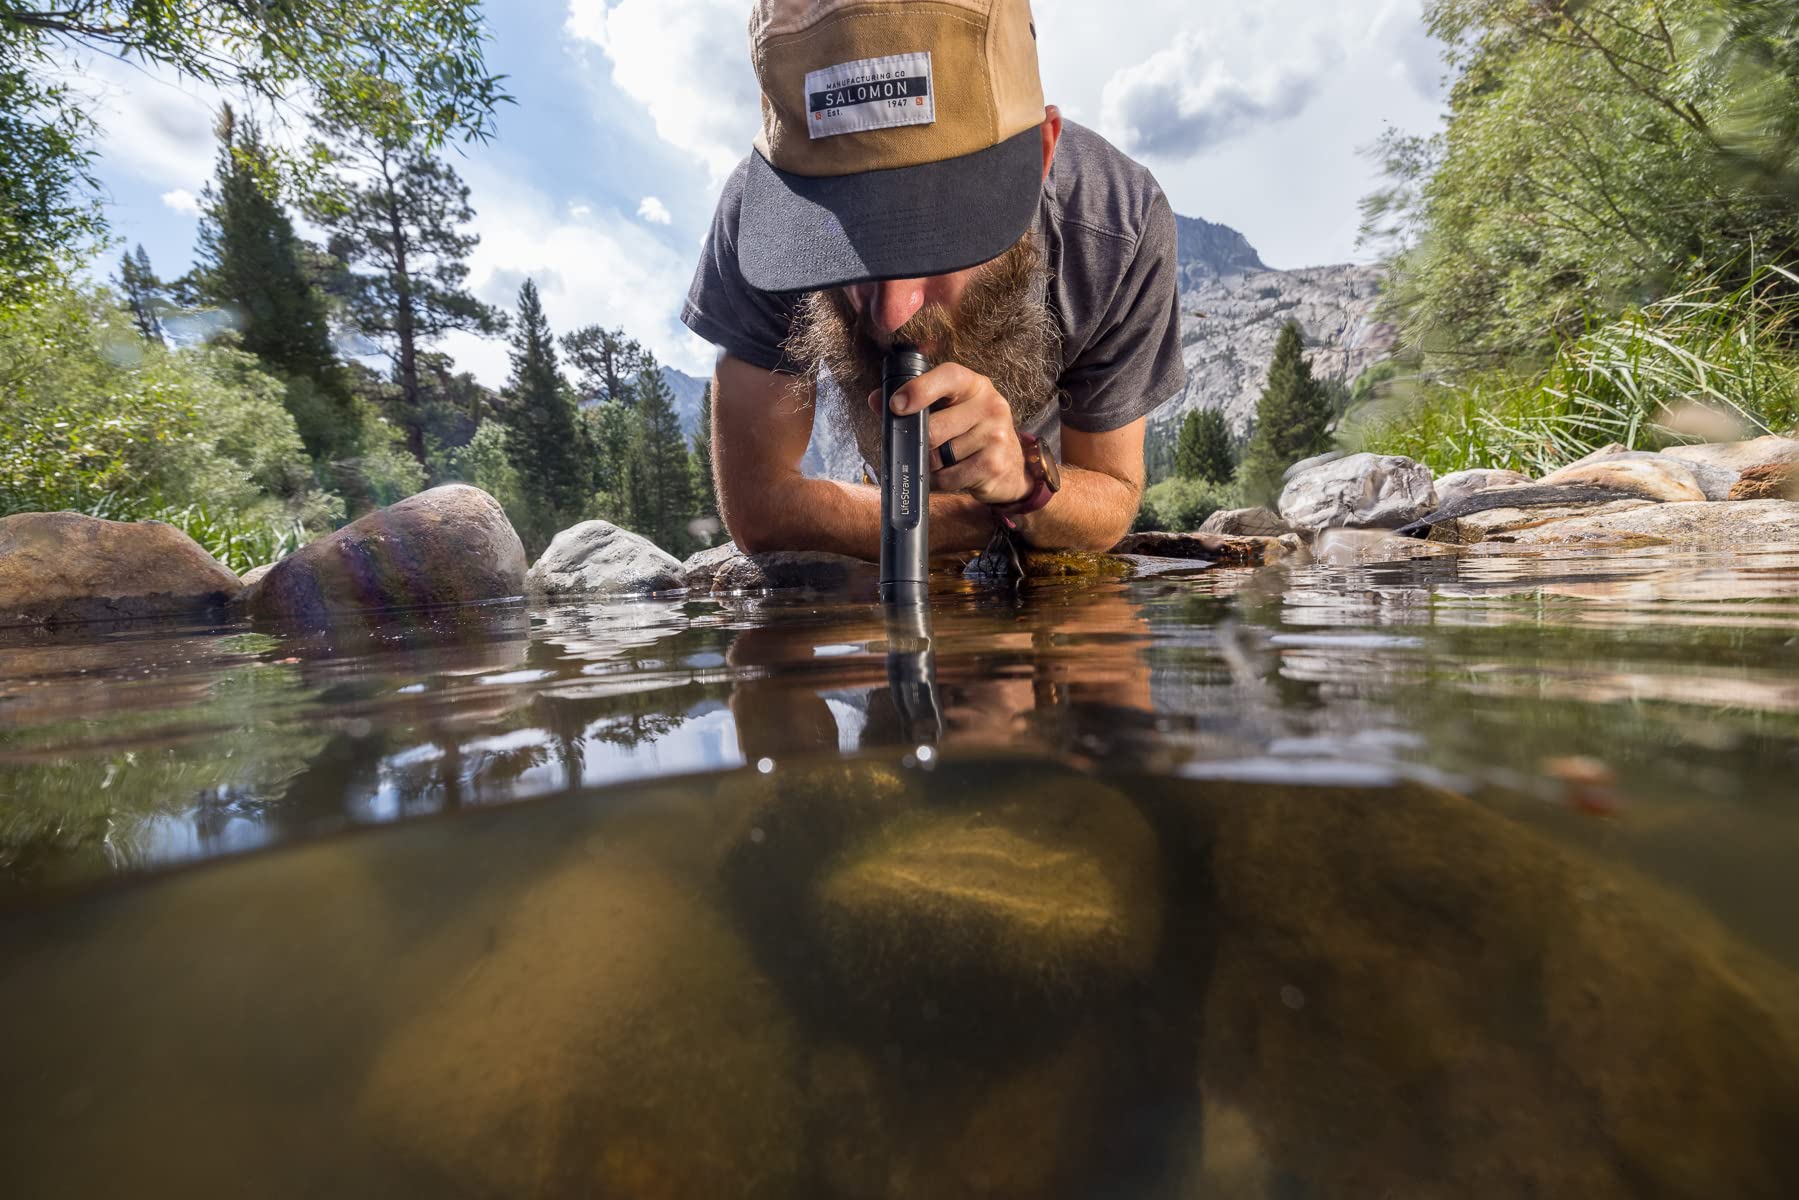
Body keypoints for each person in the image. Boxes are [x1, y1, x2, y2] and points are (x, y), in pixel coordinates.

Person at [683, 0, 1186, 556]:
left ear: (1042, 154)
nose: (891, 313)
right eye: (843, 245)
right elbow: (760, 508)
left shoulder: (1115, 224)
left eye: (937, 242)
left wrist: (1023, 483)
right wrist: (988, 519)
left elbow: (1111, 495)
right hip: (888, 504)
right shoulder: (769, 226)